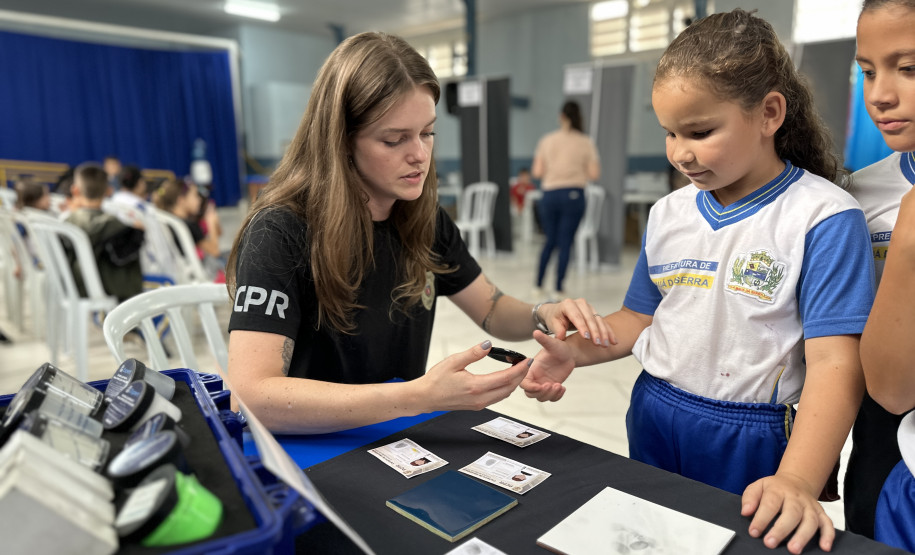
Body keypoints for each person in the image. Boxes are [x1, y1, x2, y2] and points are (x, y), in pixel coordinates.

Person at [520, 10, 874, 554]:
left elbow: (835, 364)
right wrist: (574, 352)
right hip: (654, 411)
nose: (680, 153)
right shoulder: (668, 214)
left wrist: (798, 479)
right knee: (654, 539)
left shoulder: (822, 217)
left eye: (700, 132)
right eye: (669, 132)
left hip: (748, 434)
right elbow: (638, 319)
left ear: (769, 113)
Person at [224, 31, 611, 435]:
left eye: (428, 133)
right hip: (310, 444)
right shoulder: (280, 232)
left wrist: (542, 313)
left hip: (396, 435)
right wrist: (417, 397)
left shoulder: (424, 220)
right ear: (341, 141)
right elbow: (250, 397)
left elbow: (491, 308)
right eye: (394, 140)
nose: (420, 155)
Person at [846, 1, 915, 549]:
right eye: (868, 71)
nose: (880, 95)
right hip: (887, 440)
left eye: (908, 68)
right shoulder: (859, 195)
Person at [531, 100, 600, 300]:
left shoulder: (546, 140)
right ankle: (558, 288)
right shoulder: (585, 142)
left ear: (561, 116)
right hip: (574, 195)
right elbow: (594, 174)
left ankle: (538, 285)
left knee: (549, 241)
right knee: (565, 242)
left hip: (550, 195)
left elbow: (537, 172)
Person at [65, 162, 144, 302]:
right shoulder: (115, 224)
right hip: (107, 290)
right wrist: (137, 233)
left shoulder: (67, 221)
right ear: (108, 191)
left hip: (73, 286)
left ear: (75, 190)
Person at [106, 165, 178, 285]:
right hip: (148, 277)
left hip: (117, 279)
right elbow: (159, 251)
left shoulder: (108, 206)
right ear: (140, 183)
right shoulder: (143, 210)